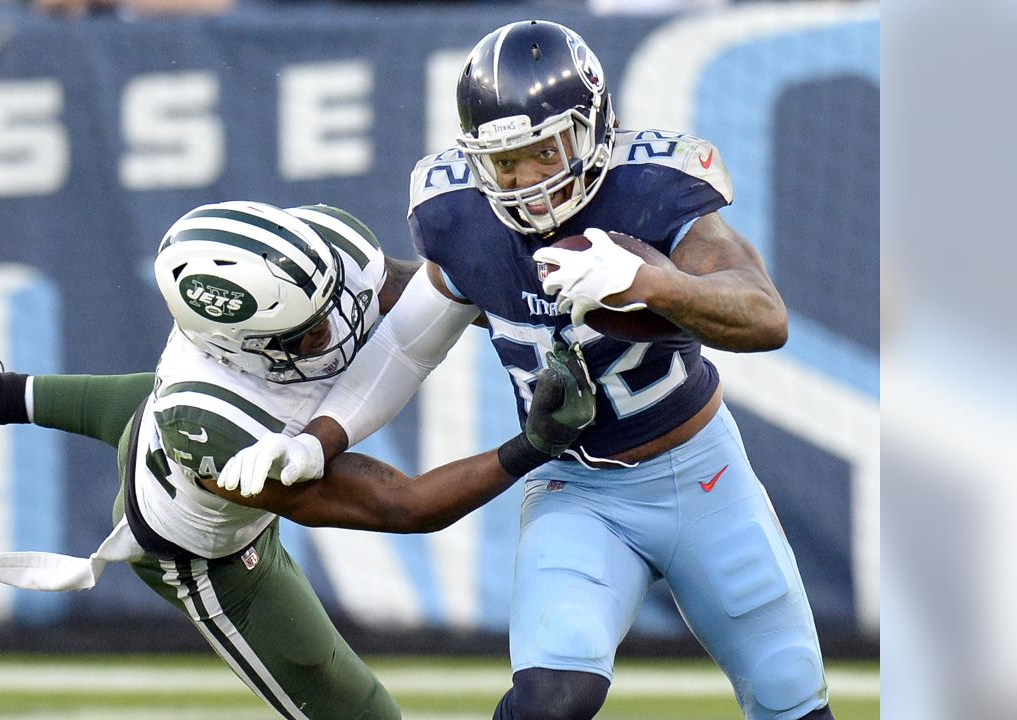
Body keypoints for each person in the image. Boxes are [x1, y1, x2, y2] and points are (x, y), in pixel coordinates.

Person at [219, 20, 835, 720]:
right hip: (577, 488)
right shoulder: (463, 218)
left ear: (597, 127)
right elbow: (405, 348)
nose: (528, 182)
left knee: (789, 693)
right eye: (506, 163)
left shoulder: (653, 191)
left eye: (545, 151)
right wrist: (318, 439)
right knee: (551, 698)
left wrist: (651, 283)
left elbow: (764, 316)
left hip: (704, 476)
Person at [0, 200, 597, 720]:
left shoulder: (323, 251)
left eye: (329, 304)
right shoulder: (209, 417)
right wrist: (531, 446)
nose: (339, 328)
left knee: (133, 407)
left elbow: (429, 297)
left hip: (167, 422)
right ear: (240, 347)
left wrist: (534, 308)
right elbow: (399, 505)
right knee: (356, 711)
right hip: (203, 546)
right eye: (306, 335)